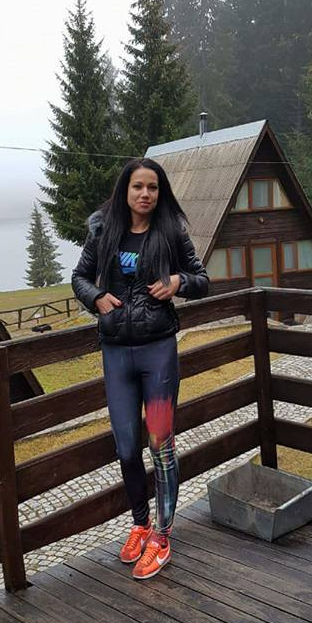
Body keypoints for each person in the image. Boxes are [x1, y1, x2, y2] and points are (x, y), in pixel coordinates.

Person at [72, 157, 209, 580]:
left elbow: (201, 279)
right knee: (127, 447)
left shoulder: (171, 230)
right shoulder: (103, 229)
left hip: (158, 352)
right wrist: (96, 297)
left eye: (152, 187)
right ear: (125, 190)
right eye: (138, 187)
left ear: (159, 192)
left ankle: (162, 538)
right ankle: (140, 525)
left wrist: (179, 283)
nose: (145, 194)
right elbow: (79, 277)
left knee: (160, 444)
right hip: (116, 352)